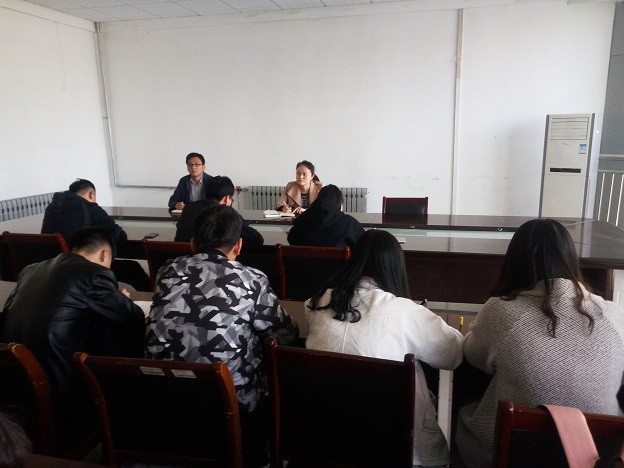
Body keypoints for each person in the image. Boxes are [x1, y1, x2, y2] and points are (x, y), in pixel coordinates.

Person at [455, 219, 624, 468]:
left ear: (514, 261)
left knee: (468, 386)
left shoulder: (501, 311)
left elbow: (473, 355)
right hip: (599, 456)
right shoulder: (615, 315)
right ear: (571, 259)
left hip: (514, 454)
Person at [146, 204, 299, 465]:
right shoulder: (251, 280)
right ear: (238, 246)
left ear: (193, 243)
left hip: (165, 396)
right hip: (230, 403)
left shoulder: (167, 270)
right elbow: (285, 334)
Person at [305, 229, 463, 467]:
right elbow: (453, 355)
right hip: (393, 445)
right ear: (395, 267)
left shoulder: (316, 303)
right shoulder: (407, 312)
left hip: (326, 439)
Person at [0, 228, 146, 450]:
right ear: (105, 255)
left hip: (15, 380)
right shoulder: (95, 273)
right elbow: (131, 317)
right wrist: (120, 298)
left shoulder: (31, 270)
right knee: (115, 333)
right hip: (57, 386)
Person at [41, 178, 150, 291]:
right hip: (80, 269)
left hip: (51, 267)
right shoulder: (89, 207)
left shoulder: (51, 209)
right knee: (133, 268)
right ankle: (153, 297)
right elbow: (120, 237)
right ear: (91, 194)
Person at [174, 175, 264, 252]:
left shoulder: (189, 207)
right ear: (226, 198)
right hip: (214, 263)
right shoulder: (225, 213)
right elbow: (256, 241)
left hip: (181, 258)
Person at [287, 184, 364, 249]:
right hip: (338, 263)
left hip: (302, 263)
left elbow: (291, 239)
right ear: (340, 204)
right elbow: (363, 245)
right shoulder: (349, 224)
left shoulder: (301, 220)